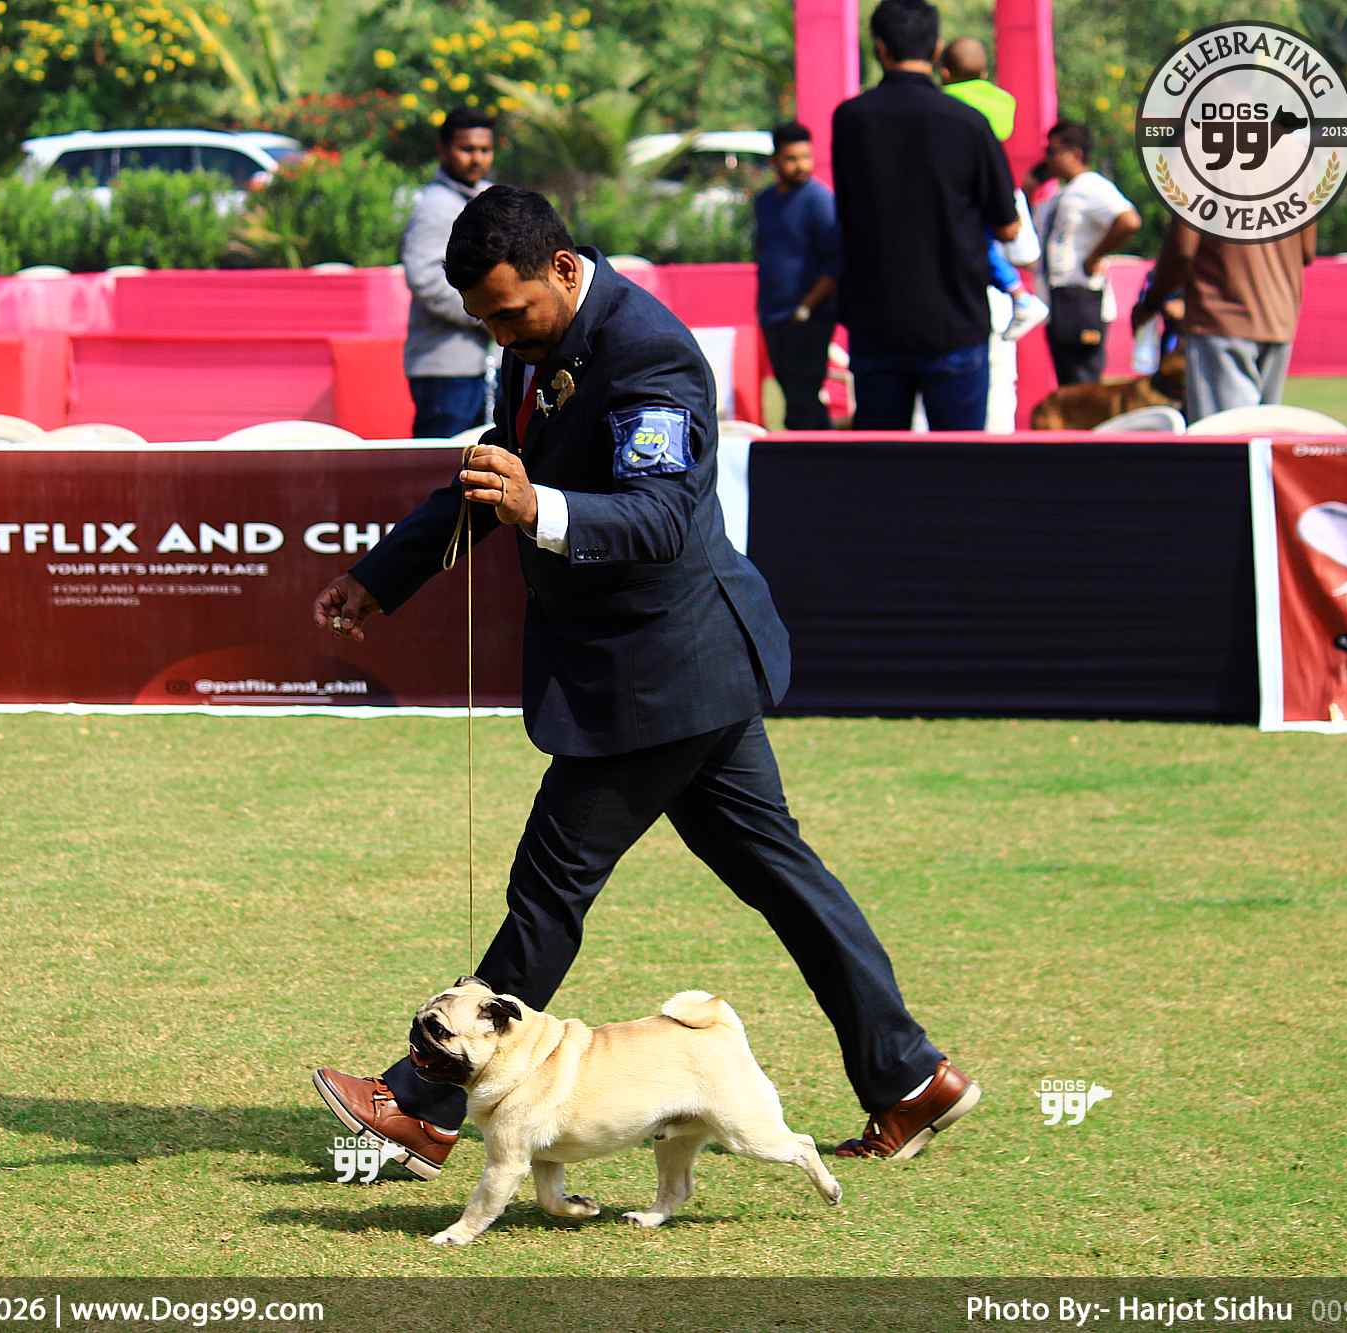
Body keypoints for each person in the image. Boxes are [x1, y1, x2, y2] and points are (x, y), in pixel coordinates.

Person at [310, 185, 979, 1180]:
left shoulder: (649, 352)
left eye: (508, 312)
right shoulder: (535, 337)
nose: (499, 335)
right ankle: (909, 1075)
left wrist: (541, 508)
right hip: (683, 671)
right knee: (784, 879)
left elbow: (659, 515)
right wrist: (381, 577)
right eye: (485, 320)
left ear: (561, 267)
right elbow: (495, 475)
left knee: (548, 888)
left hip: (661, 672)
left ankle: (421, 1102)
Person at [831, 0, 1020, 431]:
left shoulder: (850, 120)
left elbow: (848, 213)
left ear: (880, 48)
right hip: (956, 321)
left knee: (882, 464)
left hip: (876, 322)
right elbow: (1008, 226)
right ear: (936, 50)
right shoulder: (970, 123)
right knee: (958, 463)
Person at [1138, 221, 1314, 424]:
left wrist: (1151, 302)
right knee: (1261, 432)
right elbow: (1307, 252)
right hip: (1279, 319)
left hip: (1220, 320)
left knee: (1223, 433)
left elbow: (1181, 251)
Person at [938, 38, 1049, 345]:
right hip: (996, 186)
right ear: (985, 72)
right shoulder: (1003, 101)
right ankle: (1018, 296)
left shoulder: (944, 102)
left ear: (945, 73)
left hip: (963, 190)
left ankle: (1020, 296)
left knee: (978, 245)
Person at [402, 107, 496, 439]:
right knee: (442, 462)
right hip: (445, 367)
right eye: (466, 149)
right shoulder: (435, 206)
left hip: (486, 365)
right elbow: (426, 280)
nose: (477, 158)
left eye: (484, 149)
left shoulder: (488, 197)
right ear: (443, 150)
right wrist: (488, 313)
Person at [1033, 120, 1140, 387]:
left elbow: (1128, 221)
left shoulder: (1092, 186)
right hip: (1058, 299)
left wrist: (1094, 257)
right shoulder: (1062, 193)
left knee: (1083, 385)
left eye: (1053, 152)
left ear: (1075, 153)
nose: (1047, 159)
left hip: (1082, 298)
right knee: (1068, 384)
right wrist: (1032, 181)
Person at [752, 123, 839, 431]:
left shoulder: (819, 201)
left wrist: (806, 307)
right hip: (773, 315)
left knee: (805, 397)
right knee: (790, 394)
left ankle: (818, 454)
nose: (801, 165)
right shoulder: (765, 202)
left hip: (808, 317)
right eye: (792, 158)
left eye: (806, 157)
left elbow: (835, 263)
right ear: (775, 161)